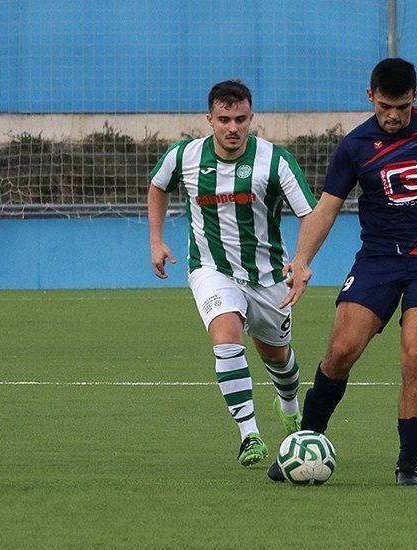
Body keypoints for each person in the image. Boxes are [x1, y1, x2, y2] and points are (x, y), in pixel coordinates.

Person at [267, 58, 417, 485]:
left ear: (416, 97)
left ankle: (408, 465)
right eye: (385, 105)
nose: (393, 116)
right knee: (340, 353)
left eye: (402, 107)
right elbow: (326, 209)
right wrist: (302, 259)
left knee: (416, 353)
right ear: (370, 96)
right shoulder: (354, 146)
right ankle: (304, 444)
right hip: (378, 261)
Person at [148, 80, 317, 467]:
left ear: (250, 118)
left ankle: (289, 408)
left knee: (277, 356)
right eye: (224, 119)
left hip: (269, 276)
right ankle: (249, 435)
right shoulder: (184, 156)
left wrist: (302, 260)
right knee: (226, 337)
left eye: (240, 119)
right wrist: (156, 240)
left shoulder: (275, 160)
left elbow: (310, 213)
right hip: (211, 268)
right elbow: (158, 186)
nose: (232, 128)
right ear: (210, 119)